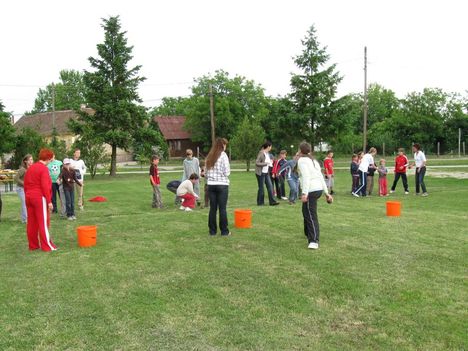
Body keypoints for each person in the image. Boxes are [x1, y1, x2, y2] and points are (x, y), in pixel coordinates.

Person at [297, 142, 333, 250]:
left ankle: (314, 240)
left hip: (311, 190)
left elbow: (307, 177)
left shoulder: (302, 161)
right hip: (318, 189)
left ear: (300, 150)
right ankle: (308, 233)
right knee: (305, 211)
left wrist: (304, 193)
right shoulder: (314, 160)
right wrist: (327, 193)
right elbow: (321, 176)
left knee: (311, 215)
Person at [23, 148, 57, 251]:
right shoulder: (43, 169)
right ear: (47, 158)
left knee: (32, 223)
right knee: (43, 222)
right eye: (51, 159)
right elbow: (45, 186)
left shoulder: (31, 168)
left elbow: (25, 184)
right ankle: (47, 246)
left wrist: (27, 196)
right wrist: (49, 201)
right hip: (39, 198)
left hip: (29, 197)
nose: (51, 161)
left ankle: (33, 245)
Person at [205, 137, 231, 236]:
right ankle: (224, 231)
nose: (225, 147)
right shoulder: (223, 156)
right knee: (222, 209)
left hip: (211, 185)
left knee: (213, 209)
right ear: (222, 145)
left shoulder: (209, 156)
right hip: (222, 185)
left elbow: (206, 173)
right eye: (225, 145)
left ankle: (212, 231)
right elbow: (227, 172)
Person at [255, 141, 279, 206]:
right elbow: (257, 163)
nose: (271, 148)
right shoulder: (261, 153)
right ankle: (260, 203)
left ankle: (272, 202)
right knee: (261, 188)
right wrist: (266, 163)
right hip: (260, 173)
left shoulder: (267, 154)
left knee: (270, 187)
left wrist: (270, 162)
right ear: (268, 147)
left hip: (266, 173)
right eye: (271, 146)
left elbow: (268, 162)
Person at [14, 154, 33, 223]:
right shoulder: (22, 169)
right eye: (30, 160)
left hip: (27, 189)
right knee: (24, 203)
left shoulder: (31, 168)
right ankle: (25, 219)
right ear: (25, 161)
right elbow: (15, 178)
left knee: (27, 203)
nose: (31, 161)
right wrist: (24, 183)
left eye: (32, 159)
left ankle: (24, 218)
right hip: (20, 189)